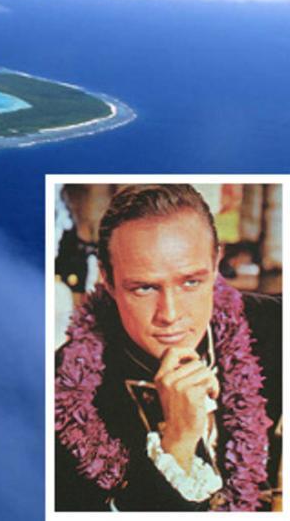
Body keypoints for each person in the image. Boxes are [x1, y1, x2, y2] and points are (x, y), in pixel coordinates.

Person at [55, 184, 282, 511]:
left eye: (191, 282)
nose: (171, 315)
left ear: (216, 263)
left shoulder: (276, 326)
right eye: (145, 288)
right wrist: (177, 445)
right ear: (107, 279)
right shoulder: (58, 393)